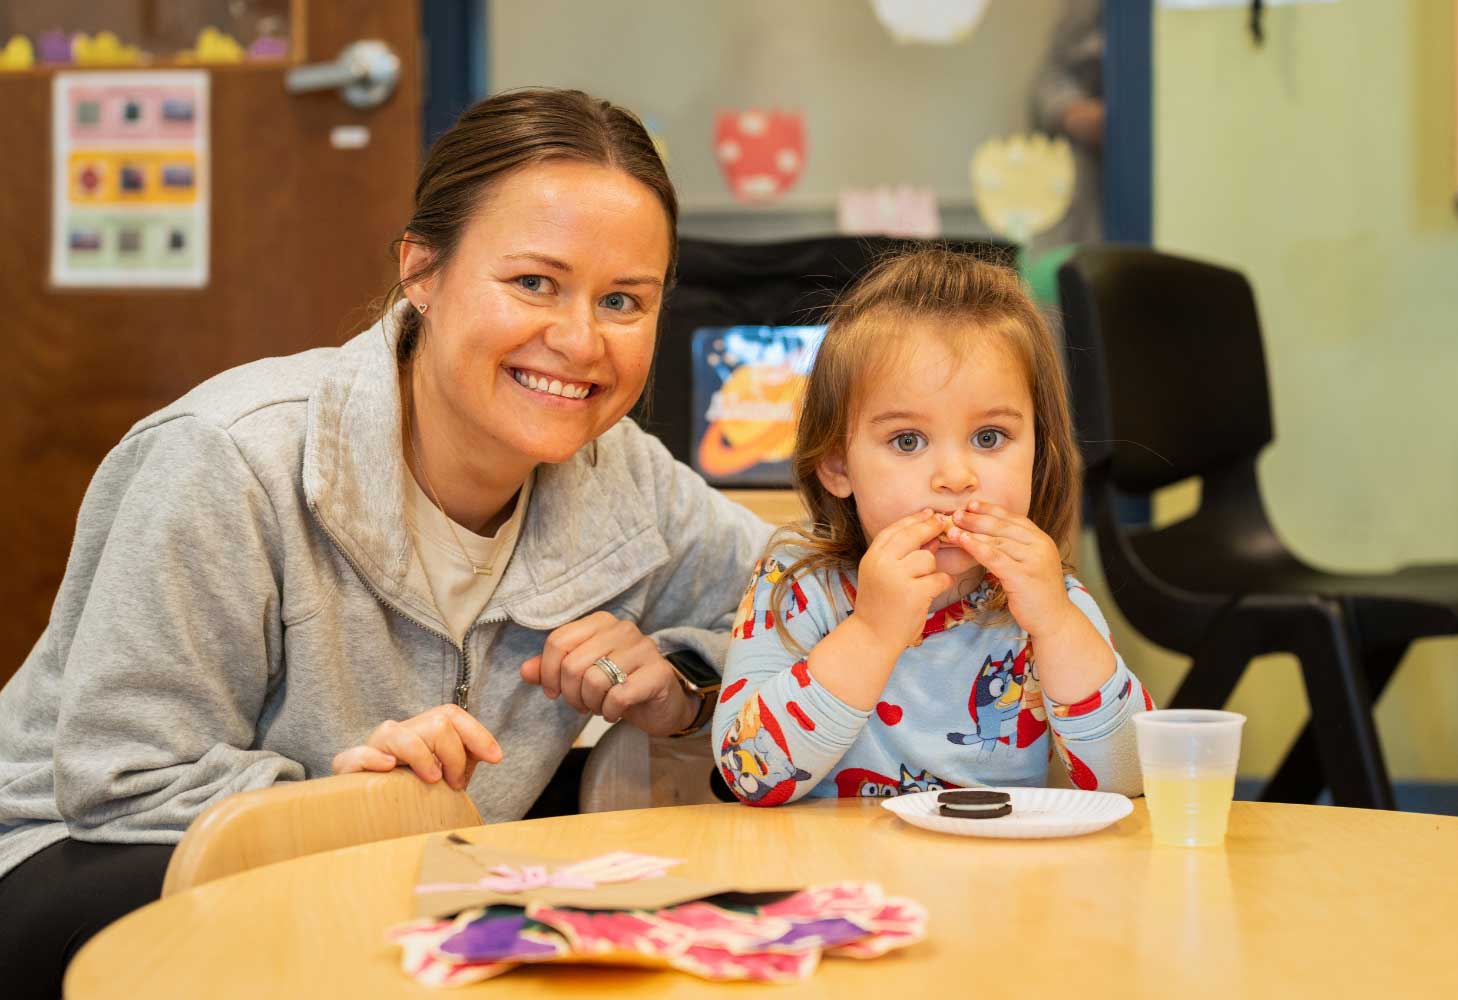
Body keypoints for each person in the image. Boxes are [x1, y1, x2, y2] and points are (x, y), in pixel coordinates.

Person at [0, 88, 770, 995]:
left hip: (417, 870)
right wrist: (333, 801)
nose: (578, 340)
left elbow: (795, 602)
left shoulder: (624, 477)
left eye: (624, 301)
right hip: (88, 870)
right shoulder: (230, 457)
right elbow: (120, 778)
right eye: (534, 283)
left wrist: (680, 680)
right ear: (422, 272)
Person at [712, 248, 1150, 807]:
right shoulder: (797, 587)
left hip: (997, 880)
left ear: (1038, 455)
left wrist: (1059, 626)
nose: (955, 477)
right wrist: (872, 631)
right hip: (835, 878)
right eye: (907, 441)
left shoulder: (1050, 602)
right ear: (838, 465)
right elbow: (748, 776)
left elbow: (1131, 778)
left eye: (989, 437)